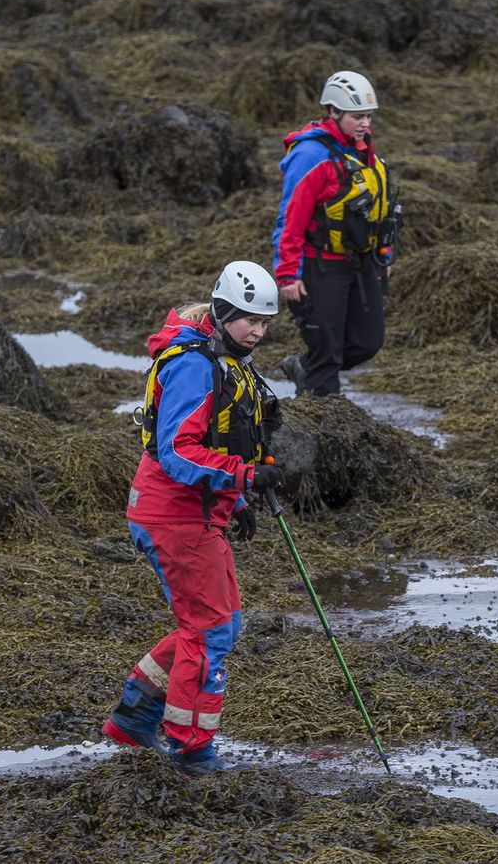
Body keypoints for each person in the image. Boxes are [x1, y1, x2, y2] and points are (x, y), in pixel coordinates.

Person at [102, 261, 284, 776]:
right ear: (223, 311)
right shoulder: (194, 364)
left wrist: (239, 500)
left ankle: (134, 719)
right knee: (210, 633)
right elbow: (178, 451)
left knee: (216, 624)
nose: (258, 331)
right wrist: (242, 477)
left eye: (265, 323)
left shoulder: (227, 354)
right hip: (172, 517)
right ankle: (192, 748)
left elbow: (219, 437)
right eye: (249, 319)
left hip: (201, 514)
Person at [273, 70, 399, 396]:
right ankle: (319, 418)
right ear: (334, 111)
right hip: (320, 266)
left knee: (367, 342)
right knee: (326, 354)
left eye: (369, 117)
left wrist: (383, 254)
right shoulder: (311, 156)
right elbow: (290, 219)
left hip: (361, 263)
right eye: (358, 117)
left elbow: (376, 210)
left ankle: (306, 366)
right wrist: (288, 274)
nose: (365, 125)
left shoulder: (362, 152)